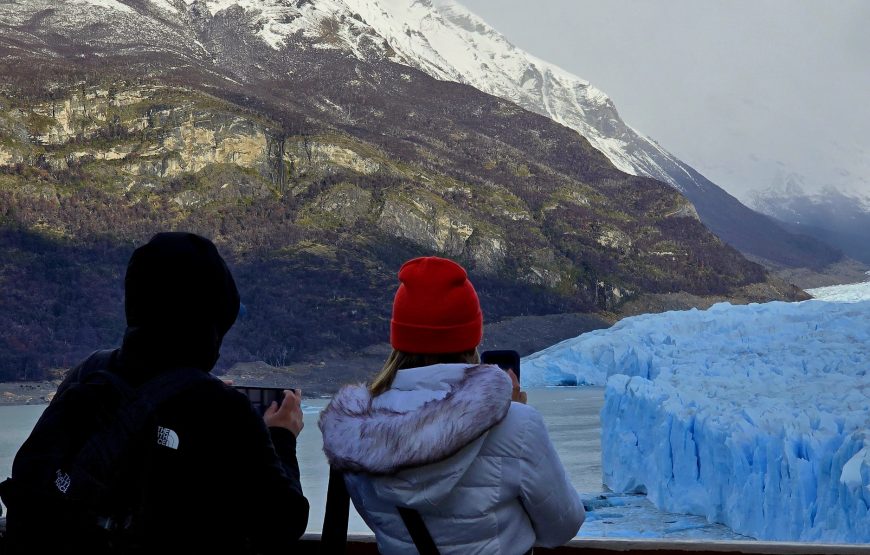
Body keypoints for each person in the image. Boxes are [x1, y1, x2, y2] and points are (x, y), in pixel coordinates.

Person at [5, 232, 309, 554]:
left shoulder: (90, 371)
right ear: (214, 318)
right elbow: (283, 523)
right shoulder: (224, 408)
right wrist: (281, 436)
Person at [319, 256, 584, 554]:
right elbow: (563, 526)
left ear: (398, 339)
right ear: (471, 339)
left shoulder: (357, 432)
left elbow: (378, 520)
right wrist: (506, 414)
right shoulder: (519, 425)